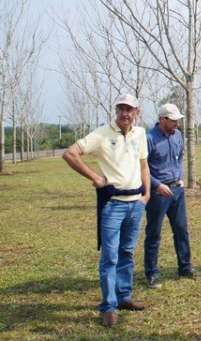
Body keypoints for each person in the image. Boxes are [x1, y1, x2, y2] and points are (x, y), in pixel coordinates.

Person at [62, 94, 150, 327]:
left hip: (136, 204)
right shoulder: (102, 134)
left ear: (137, 112)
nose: (125, 113)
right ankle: (109, 305)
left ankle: (124, 297)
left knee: (127, 253)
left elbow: (143, 164)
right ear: (116, 110)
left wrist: (147, 194)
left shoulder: (140, 134)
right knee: (110, 256)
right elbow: (70, 153)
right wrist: (95, 177)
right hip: (113, 205)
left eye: (129, 109)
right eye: (121, 108)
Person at [143, 103, 201, 289]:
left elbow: (179, 157)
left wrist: (180, 178)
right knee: (154, 233)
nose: (177, 122)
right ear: (162, 119)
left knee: (181, 229)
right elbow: (142, 168)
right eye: (173, 119)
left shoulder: (178, 135)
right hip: (157, 193)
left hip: (177, 191)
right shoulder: (148, 138)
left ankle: (185, 267)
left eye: (178, 119)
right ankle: (152, 273)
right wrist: (157, 185)